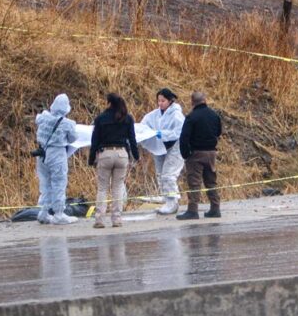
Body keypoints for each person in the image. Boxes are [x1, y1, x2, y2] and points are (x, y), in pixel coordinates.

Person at [88, 93, 140, 228]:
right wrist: (136, 155)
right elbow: (132, 140)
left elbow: (95, 141)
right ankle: (116, 219)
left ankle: (99, 219)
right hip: (122, 155)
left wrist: (91, 158)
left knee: (102, 188)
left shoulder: (100, 118)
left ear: (109, 103)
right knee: (117, 187)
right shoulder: (127, 118)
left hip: (105, 154)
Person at [176, 91, 223, 220]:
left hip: (196, 154)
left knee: (194, 182)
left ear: (192, 102)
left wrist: (186, 154)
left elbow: (184, 137)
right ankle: (215, 208)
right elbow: (219, 132)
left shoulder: (192, 117)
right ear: (205, 100)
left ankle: (192, 210)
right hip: (211, 152)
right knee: (211, 181)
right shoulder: (214, 115)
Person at [139, 87, 186, 215]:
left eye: (163, 101)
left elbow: (179, 132)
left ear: (170, 101)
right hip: (160, 146)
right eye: (158, 101)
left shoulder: (176, 114)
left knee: (168, 174)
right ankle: (166, 198)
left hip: (175, 146)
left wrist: (162, 134)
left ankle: (172, 202)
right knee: (160, 174)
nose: (160, 104)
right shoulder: (154, 115)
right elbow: (144, 125)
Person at [35, 93, 79, 225]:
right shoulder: (67, 124)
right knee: (59, 183)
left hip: (42, 153)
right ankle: (59, 213)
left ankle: (43, 213)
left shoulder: (43, 118)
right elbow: (73, 138)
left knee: (45, 183)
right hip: (57, 154)